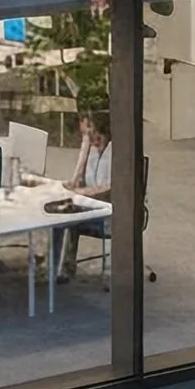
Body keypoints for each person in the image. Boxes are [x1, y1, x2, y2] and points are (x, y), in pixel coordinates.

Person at [57, 112, 111, 282]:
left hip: (111, 213)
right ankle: (60, 267)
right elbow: (81, 178)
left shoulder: (115, 153)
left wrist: (81, 193)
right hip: (93, 206)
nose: (87, 137)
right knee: (60, 214)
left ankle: (63, 266)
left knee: (70, 216)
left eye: (89, 132)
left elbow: (109, 187)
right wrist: (75, 182)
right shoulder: (93, 150)